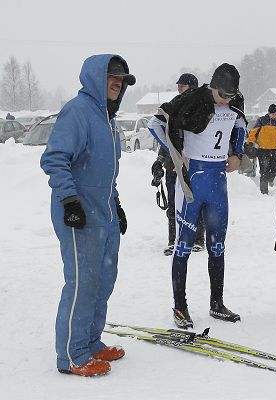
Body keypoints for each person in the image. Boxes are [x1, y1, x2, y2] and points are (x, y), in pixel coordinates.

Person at [40, 55, 134, 377]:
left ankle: (91, 342)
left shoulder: (108, 120)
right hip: (78, 213)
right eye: (112, 77)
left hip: (103, 214)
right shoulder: (78, 112)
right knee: (81, 284)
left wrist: (116, 205)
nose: (117, 84)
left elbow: (107, 174)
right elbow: (54, 159)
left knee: (103, 282)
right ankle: (71, 354)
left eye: (121, 80)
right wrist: (70, 202)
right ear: (96, 78)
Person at [147, 63, 246, 328]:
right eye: (221, 95)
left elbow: (240, 127)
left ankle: (217, 303)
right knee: (184, 245)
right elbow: (155, 123)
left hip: (218, 181)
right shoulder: (191, 99)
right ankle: (180, 307)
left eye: (229, 96)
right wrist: (178, 156)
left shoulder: (235, 104)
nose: (225, 100)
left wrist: (237, 154)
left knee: (217, 245)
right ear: (212, 86)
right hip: (192, 182)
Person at [151, 73, 205, 255]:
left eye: (182, 85)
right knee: (173, 206)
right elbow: (166, 136)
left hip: (194, 166)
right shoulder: (173, 106)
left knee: (196, 204)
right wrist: (159, 162)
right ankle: (173, 241)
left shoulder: (201, 109)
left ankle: (198, 239)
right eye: (179, 85)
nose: (179, 88)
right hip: (173, 167)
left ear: (192, 87)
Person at [246, 103, 276, 194]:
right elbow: (254, 131)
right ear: (268, 113)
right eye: (272, 114)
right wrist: (250, 142)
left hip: (274, 149)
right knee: (264, 171)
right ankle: (264, 192)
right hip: (263, 150)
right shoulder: (262, 120)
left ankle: (268, 178)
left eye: (275, 114)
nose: (274, 116)